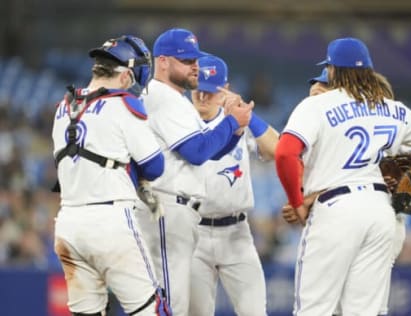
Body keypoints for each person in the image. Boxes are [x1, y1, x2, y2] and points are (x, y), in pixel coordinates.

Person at [274, 37, 411, 315]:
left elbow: (284, 154)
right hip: (381, 212)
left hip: (336, 210)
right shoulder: (392, 108)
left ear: (332, 71)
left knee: (314, 309)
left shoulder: (316, 105)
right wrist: (405, 169)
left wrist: (297, 201)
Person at [134, 28, 253, 316]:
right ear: (162, 62)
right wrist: (228, 121)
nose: (194, 66)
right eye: (186, 60)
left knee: (173, 303)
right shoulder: (163, 96)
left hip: (176, 211)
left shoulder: (176, 100)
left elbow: (210, 149)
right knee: (168, 303)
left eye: (195, 59)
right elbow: (197, 152)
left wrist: (234, 128)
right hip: (165, 206)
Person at [51, 35, 169, 315]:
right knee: (151, 310)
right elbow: (155, 166)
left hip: (68, 224)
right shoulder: (123, 103)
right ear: (127, 76)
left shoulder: (63, 107)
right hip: (110, 222)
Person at [189, 55, 279, 316]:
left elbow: (277, 149)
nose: (203, 97)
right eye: (198, 90)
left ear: (225, 89)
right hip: (194, 233)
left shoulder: (239, 121)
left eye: (210, 91)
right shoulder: (180, 122)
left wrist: (245, 114)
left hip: (237, 233)